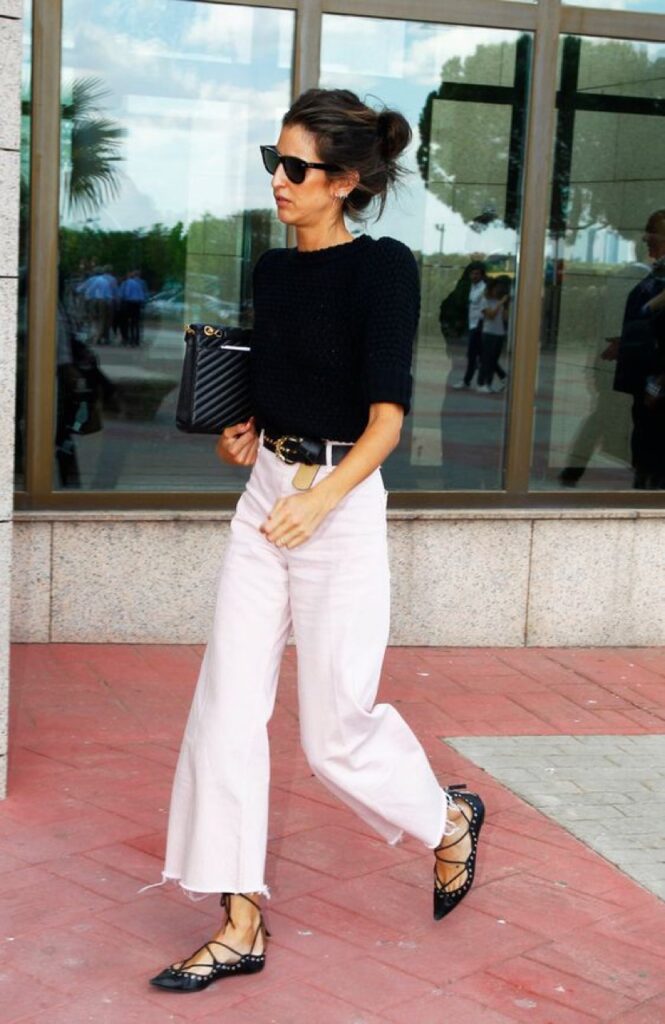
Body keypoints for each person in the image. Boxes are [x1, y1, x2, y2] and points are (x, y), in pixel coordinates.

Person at [148, 88, 485, 995]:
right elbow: (277, 387)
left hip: (340, 502)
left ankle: (447, 819)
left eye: (297, 167)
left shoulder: (384, 269)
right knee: (225, 706)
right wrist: (242, 433)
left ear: (343, 182)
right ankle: (238, 921)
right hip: (267, 496)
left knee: (334, 731)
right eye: (274, 160)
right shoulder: (272, 271)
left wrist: (321, 500)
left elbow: (386, 421)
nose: (279, 180)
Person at [602, 209, 665, 489]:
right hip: (647, 377)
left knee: (654, 452)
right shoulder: (658, 273)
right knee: (645, 448)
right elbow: (649, 322)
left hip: (656, 382)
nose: (645, 238)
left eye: (652, 232)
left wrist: (659, 383)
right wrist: (624, 343)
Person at [451, 260, 487, 389]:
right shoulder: (473, 287)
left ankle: (474, 382)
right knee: (477, 355)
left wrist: (480, 325)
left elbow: (484, 307)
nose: (474, 276)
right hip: (472, 324)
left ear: (481, 275)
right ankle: (497, 377)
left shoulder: (483, 288)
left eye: (477, 274)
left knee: (475, 355)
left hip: (479, 325)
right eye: (472, 274)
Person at [477, 275, 510, 393]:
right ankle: (481, 383)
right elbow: (491, 315)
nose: (497, 290)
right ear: (490, 289)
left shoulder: (498, 301)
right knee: (486, 359)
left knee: (493, 359)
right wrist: (500, 303)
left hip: (499, 333)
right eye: (495, 288)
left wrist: (505, 306)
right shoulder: (484, 301)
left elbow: (505, 318)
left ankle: (489, 383)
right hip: (489, 333)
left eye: (498, 288)